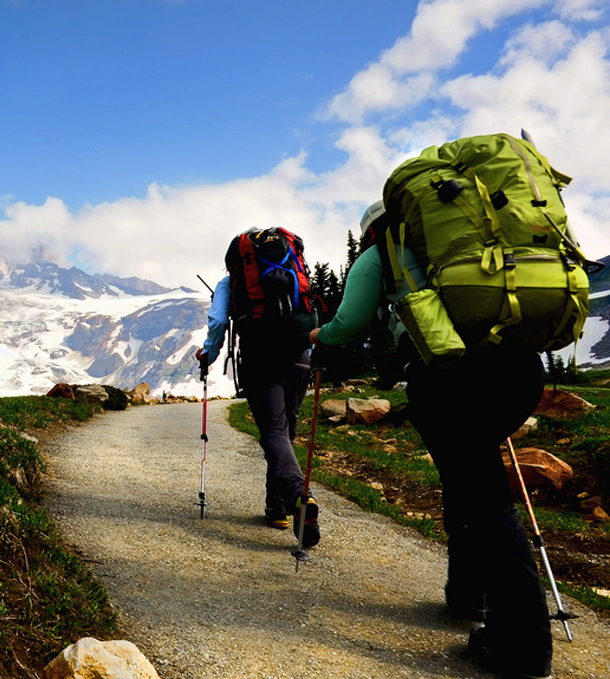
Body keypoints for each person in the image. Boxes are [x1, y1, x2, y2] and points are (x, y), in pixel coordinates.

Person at [309, 201, 552, 679]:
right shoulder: (476, 240)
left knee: (483, 498)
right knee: (470, 481)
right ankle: (469, 596)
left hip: (450, 374)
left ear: (371, 230)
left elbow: (351, 320)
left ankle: (522, 646)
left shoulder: (383, 252)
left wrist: (323, 333)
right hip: (520, 368)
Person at [196, 227, 320, 547]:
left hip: (260, 357)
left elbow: (219, 323)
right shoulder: (295, 271)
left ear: (235, 262)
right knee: (287, 431)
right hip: (299, 357)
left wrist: (208, 355)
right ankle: (277, 507)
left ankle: (296, 497)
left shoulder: (231, 283)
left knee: (274, 432)